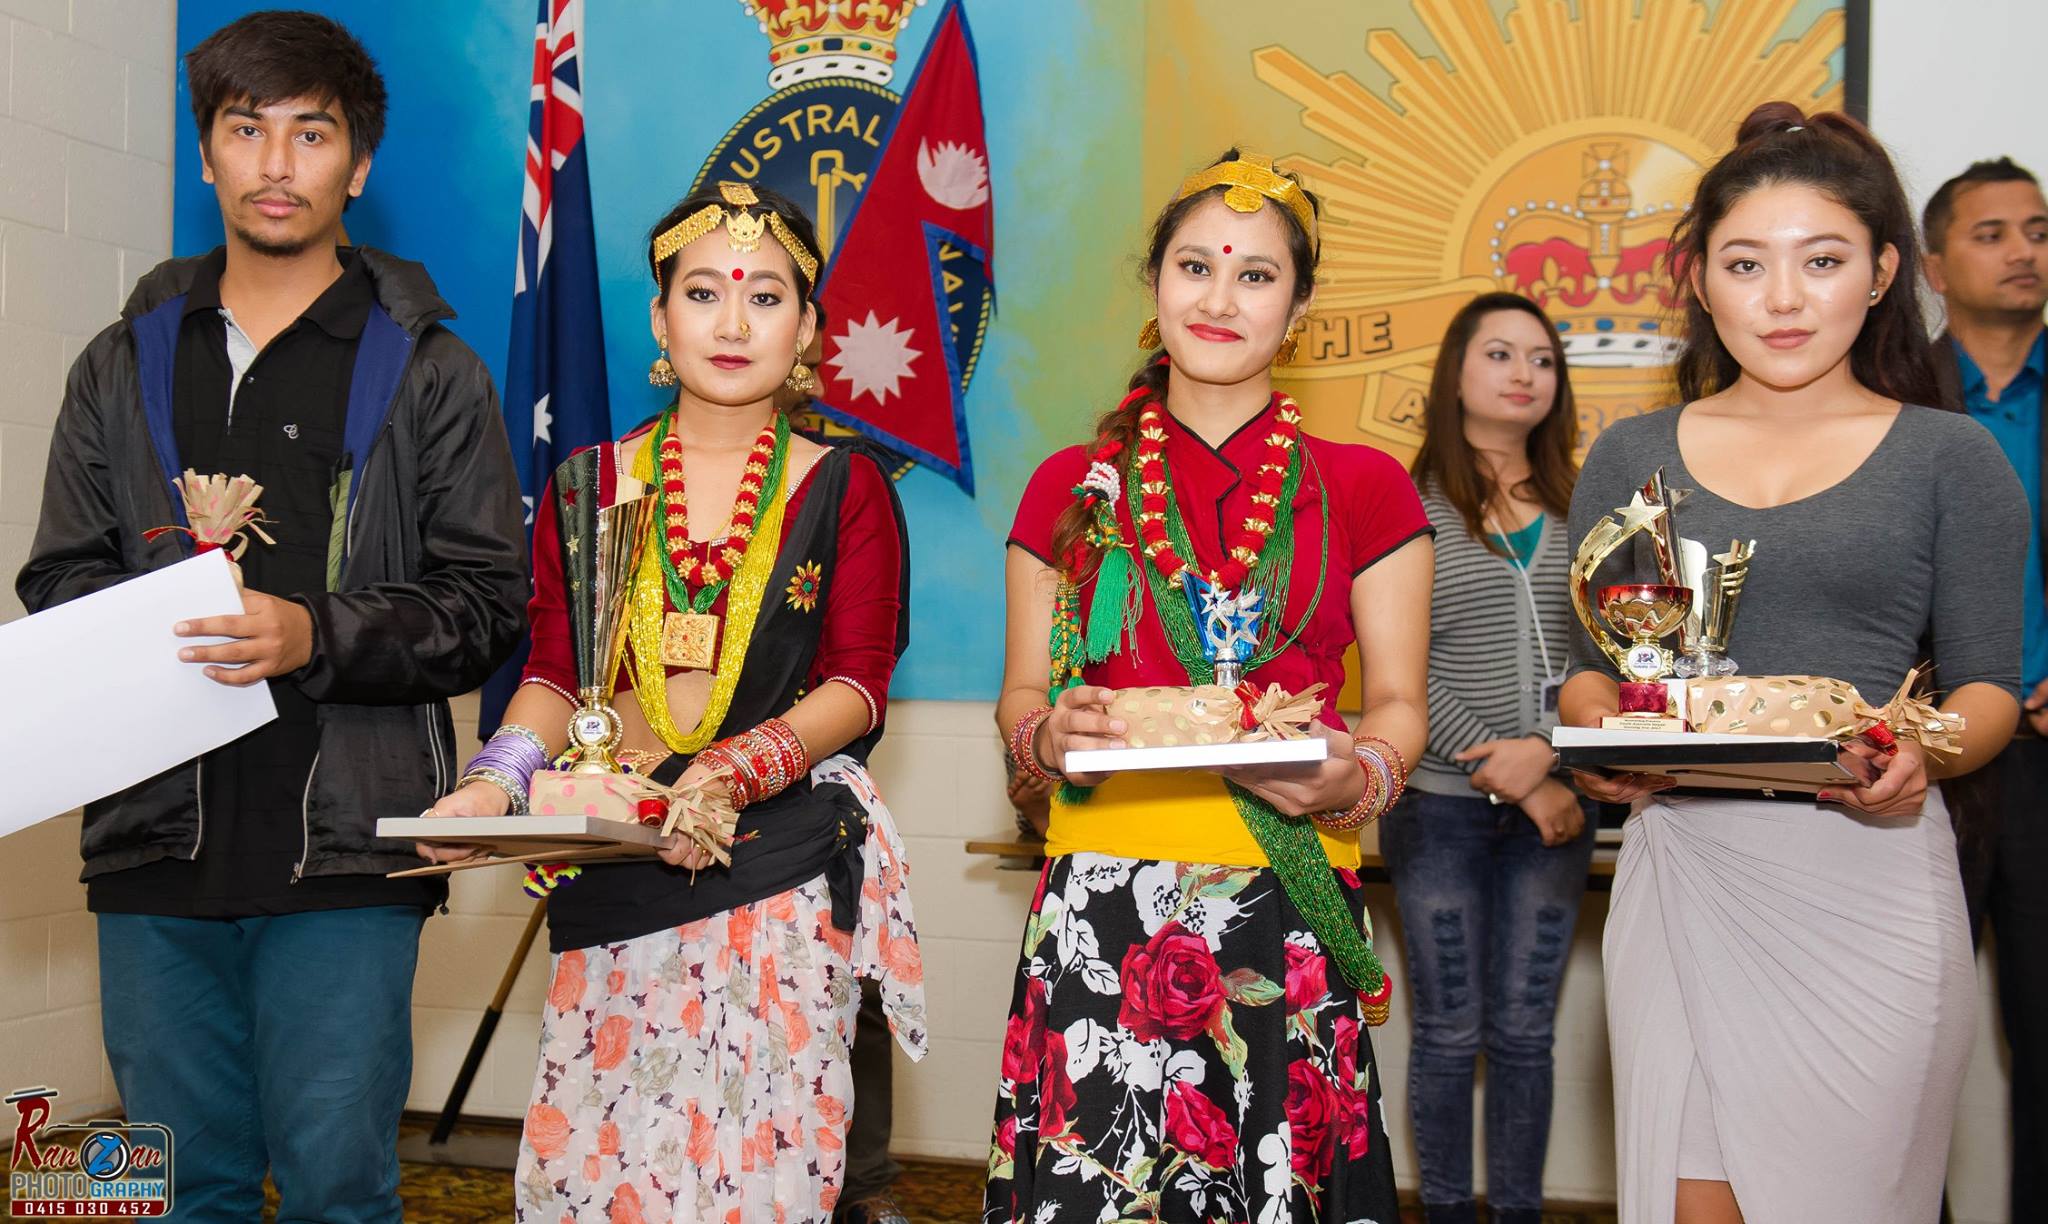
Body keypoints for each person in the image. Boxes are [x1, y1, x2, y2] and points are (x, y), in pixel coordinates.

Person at [11, 11, 528, 1220]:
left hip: (348, 857)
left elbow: (483, 604)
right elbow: (57, 578)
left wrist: (310, 634)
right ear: (207, 155)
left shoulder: (431, 370)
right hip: (151, 849)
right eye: (246, 130)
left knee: (340, 1190)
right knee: (182, 1193)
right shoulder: (120, 362)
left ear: (359, 163)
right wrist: (148, 627)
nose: (277, 162)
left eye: (311, 132)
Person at [424, 179, 925, 1222]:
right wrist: (493, 785)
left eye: (765, 297)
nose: (732, 324)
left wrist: (726, 775)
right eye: (702, 294)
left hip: (776, 865)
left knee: (762, 1173)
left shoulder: (848, 487)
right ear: (659, 319)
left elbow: (857, 686)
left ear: (808, 330)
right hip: (619, 868)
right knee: (614, 1170)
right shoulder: (588, 483)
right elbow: (554, 673)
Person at [1562, 103, 2024, 1224]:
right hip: (1684, 867)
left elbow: (1986, 691)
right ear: (1699, 281)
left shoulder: (1949, 456)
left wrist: (1922, 755)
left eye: (1819, 261)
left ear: (1879, 273)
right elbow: (1590, 671)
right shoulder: (1630, 453)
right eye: (1744, 264)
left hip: (1867, 873)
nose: (1781, 298)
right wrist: (1598, 738)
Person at [984, 150, 1432, 1223]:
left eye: (1255, 275)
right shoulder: (1068, 486)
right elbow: (1019, 698)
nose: (1219, 299)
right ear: (1154, 285)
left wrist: (1359, 779)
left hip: (1285, 905)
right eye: (1194, 267)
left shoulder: (1366, 487)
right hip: (1101, 911)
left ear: (1301, 307)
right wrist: (1045, 738)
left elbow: (1399, 708)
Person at [1384, 292, 1592, 1224]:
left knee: (1524, 1036)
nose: (1524, 374)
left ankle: (1516, 1214)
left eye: (1542, 359)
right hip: (1439, 809)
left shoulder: (1588, 510)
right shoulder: (1409, 505)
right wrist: (1508, 770)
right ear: (1456, 374)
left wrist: (1550, 761)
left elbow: (1608, 655)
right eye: (1500, 354)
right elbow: (1404, 664)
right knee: (1448, 1031)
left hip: (1559, 802)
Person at [1922, 154, 2048, 1223]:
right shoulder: (1889, 399)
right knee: (1910, 1036)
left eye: (2037, 231)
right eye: (1991, 232)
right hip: (1927, 758)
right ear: (1930, 265)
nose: (2022, 251)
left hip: (2047, 761)